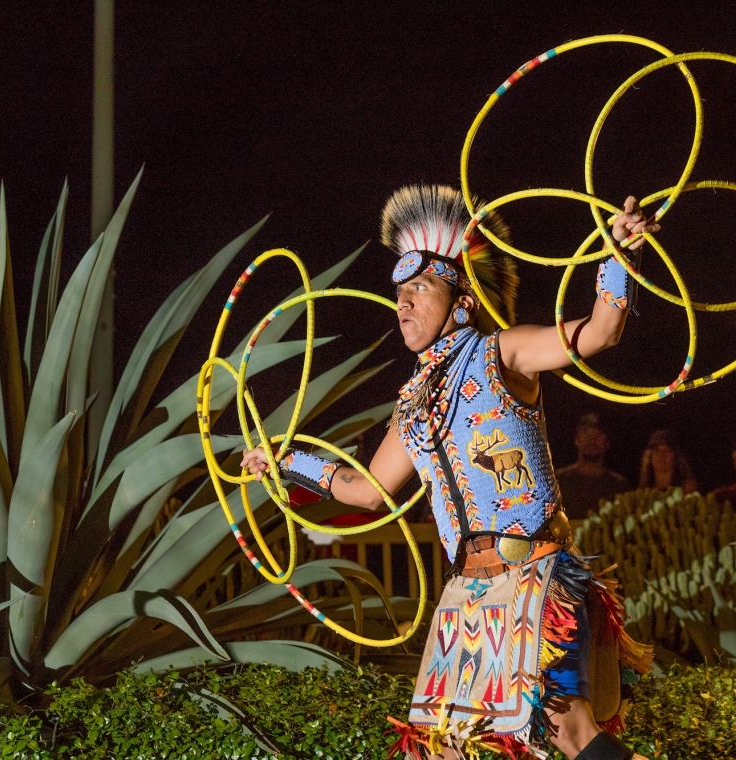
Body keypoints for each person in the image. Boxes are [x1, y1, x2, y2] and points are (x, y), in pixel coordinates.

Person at [242, 186, 656, 760]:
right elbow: (366, 491)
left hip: (533, 576)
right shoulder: (412, 401)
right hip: (466, 593)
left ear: (462, 300)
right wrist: (285, 461)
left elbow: (600, 331)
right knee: (431, 749)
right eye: (399, 292)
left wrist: (619, 253)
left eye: (420, 288)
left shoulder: (502, 352)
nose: (403, 303)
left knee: (569, 731)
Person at [555, 412, 632, 520]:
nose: (592, 440)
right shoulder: (557, 483)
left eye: (598, 435)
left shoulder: (620, 487)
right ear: (577, 439)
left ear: (607, 442)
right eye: (586, 433)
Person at [637, 429, 699, 495]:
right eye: (656, 450)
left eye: (667, 450)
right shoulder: (642, 491)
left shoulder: (688, 489)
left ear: (676, 456)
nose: (661, 455)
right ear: (649, 456)